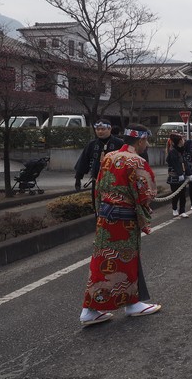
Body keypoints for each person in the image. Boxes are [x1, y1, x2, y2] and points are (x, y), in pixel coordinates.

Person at [79, 124, 160, 326]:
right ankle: (131, 304)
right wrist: (144, 209)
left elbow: (99, 185)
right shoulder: (136, 161)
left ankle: (92, 308)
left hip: (106, 217)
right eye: (146, 141)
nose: (147, 145)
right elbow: (147, 193)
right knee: (124, 262)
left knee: (102, 261)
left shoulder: (109, 157)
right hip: (124, 221)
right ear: (140, 141)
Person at [74, 119, 124, 195]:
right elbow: (83, 161)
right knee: (96, 202)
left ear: (109, 129)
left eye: (103, 129)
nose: (100, 131)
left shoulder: (119, 143)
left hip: (115, 179)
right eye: (98, 129)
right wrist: (78, 179)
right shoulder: (92, 144)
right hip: (96, 178)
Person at [166, 133, 188, 218]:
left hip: (182, 175)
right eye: (182, 139)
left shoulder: (182, 150)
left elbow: (185, 163)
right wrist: (179, 174)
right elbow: (175, 164)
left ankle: (182, 211)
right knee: (175, 194)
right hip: (174, 176)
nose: (184, 141)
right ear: (179, 141)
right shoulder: (173, 152)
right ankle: (174, 208)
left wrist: (188, 174)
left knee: (183, 195)